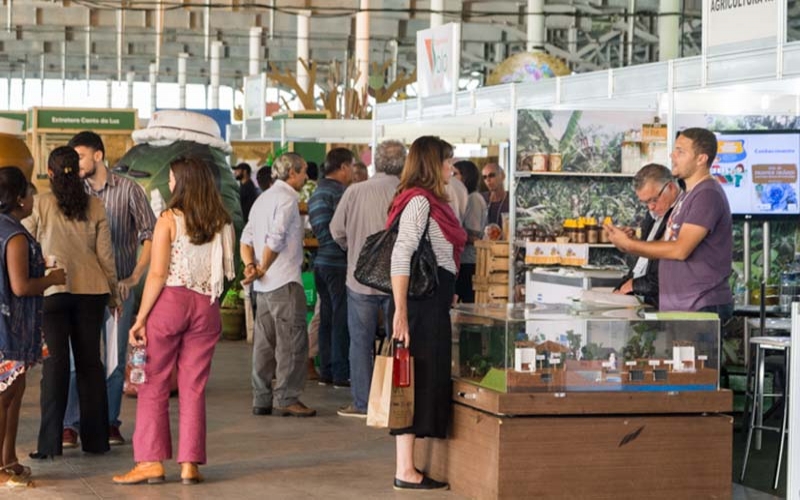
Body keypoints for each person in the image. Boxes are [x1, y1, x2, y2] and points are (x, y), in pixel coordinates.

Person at [112, 157, 234, 485]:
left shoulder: (168, 219)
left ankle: (151, 461)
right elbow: (225, 271)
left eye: (170, 179)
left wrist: (140, 318)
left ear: (181, 182)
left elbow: (157, 272)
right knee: (193, 386)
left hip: (170, 303)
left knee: (154, 382)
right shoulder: (222, 221)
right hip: (206, 307)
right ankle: (190, 464)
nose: (168, 184)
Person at [62, 130, 156, 448]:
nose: (76, 165)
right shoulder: (74, 193)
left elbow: (150, 236)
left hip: (119, 292)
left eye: (81, 157)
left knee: (115, 362)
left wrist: (134, 278)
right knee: (78, 360)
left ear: (98, 156)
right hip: (83, 291)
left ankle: (110, 422)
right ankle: (70, 425)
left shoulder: (129, 191)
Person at [25, 147, 119, 459]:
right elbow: (106, 255)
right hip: (91, 293)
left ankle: (50, 445)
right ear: (77, 172)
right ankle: (96, 441)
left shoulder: (40, 204)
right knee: (91, 365)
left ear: (49, 173)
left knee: (55, 366)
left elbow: (28, 246)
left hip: (53, 293)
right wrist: (114, 294)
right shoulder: (95, 205)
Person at [389, 136, 466, 491]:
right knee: (411, 381)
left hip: (429, 302)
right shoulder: (420, 201)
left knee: (417, 379)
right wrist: (401, 312)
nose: (453, 168)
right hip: (418, 307)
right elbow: (402, 253)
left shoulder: (430, 201)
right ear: (433, 164)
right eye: (448, 161)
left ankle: (408, 467)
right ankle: (405, 470)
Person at [605, 128, 733, 320]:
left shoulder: (707, 194)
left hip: (699, 305)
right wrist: (633, 242)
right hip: (680, 306)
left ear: (701, 159)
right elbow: (664, 246)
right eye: (674, 150)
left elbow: (680, 249)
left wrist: (631, 246)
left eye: (681, 151)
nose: (673, 155)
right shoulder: (689, 195)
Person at [330, 139, 406, 418]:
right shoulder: (406, 192)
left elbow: (336, 230)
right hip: (398, 280)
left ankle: (363, 403)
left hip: (359, 280)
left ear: (376, 161)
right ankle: (398, 401)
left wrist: (354, 249)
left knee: (360, 343)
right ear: (404, 163)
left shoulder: (355, 191)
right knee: (399, 340)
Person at [0, 167, 65, 486]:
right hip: (8, 329)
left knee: (15, 391)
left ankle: (8, 459)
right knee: (4, 395)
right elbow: (21, 287)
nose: (33, 197)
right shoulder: (13, 236)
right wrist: (52, 279)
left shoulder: (11, 229)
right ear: (17, 199)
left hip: (13, 328)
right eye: (29, 191)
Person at [241, 153, 315, 417]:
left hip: (262, 288)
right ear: (292, 173)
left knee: (264, 344)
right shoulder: (287, 200)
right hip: (284, 281)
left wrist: (252, 267)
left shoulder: (263, 198)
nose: (306, 176)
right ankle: (286, 397)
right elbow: (276, 239)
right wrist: (262, 266)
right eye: (304, 171)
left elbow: (246, 239)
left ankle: (261, 398)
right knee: (292, 343)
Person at [308, 148, 354, 388]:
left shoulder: (317, 193)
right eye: (352, 167)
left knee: (326, 316)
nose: (353, 172)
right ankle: (340, 372)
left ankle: (325, 369)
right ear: (344, 166)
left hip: (321, 262)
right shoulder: (341, 193)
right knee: (340, 317)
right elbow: (343, 229)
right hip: (338, 262)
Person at [612, 163, 680, 308]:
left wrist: (635, 285)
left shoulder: (681, 215)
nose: (651, 207)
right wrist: (632, 243)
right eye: (646, 202)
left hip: (668, 304)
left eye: (654, 200)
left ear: (671, 188)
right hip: (644, 300)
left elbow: (672, 270)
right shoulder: (651, 215)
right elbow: (643, 262)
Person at [452, 160, 487, 303]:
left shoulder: (473, 199)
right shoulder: (466, 197)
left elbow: (474, 234)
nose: (453, 177)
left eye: (456, 174)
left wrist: (454, 232)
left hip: (470, 260)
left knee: (466, 299)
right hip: (465, 259)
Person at [480, 163, 509, 230]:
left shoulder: (511, 200)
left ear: (502, 176)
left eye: (491, 175)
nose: (488, 180)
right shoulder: (481, 199)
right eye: (485, 177)